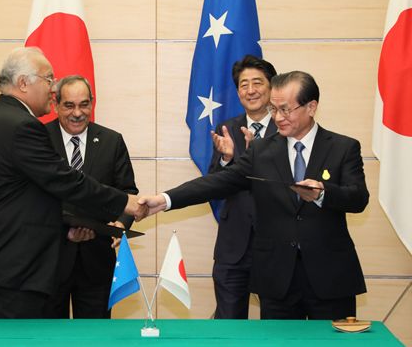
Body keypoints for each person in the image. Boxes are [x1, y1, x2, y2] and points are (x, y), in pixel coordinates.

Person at [140, 71, 369, 320]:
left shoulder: (343, 147)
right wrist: (165, 200)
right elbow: (217, 182)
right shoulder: (262, 151)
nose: (278, 118)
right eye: (273, 109)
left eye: (285, 109)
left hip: (330, 278)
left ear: (311, 107)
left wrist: (324, 194)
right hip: (277, 279)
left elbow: (358, 198)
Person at [0, 47, 146, 319]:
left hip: (13, 269)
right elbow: (65, 181)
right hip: (11, 271)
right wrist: (125, 202)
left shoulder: (2, 117)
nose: (53, 86)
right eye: (48, 79)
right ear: (23, 83)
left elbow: (32, 199)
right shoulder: (21, 125)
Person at [43, 75, 138, 319]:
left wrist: (120, 224)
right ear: (55, 104)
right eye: (69, 105)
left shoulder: (111, 141)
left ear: (92, 103)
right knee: (50, 337)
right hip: (49, 261)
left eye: (84, 104)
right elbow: (29, 198)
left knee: (96, 339)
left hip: (97, 260)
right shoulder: (39, 140)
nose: (77, 113)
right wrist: (64, 231)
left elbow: (128, 192)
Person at [208, 55, 277, 319]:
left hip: (276, 243)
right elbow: (213, 186)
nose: (251, 90)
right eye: (244, 84)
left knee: (276, 327)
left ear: (271, 88)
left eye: (257, 83)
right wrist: (226, 159)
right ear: (237, 92)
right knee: (229, 326)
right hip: (233, 244)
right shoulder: (227, 129)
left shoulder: (286, 129)